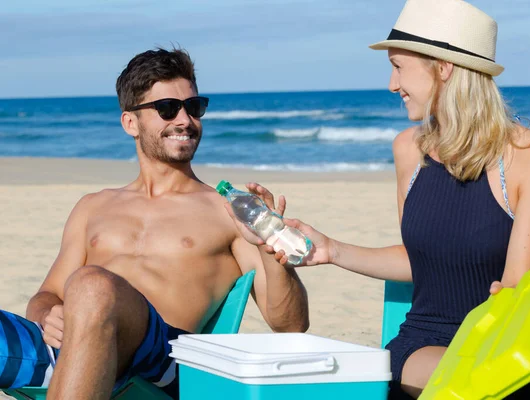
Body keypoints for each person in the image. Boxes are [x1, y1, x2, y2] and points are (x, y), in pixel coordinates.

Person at [251, 0, 530, 398]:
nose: (391, 84)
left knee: (478, 381)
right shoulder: (409, 150)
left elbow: (515, 289)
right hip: (424, 342)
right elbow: (416, 257)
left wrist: (506, 300)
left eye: (399, 66)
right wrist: (331, 249)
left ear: (443, 67)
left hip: (499, 348)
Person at [0, 48, 309, 399]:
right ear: (130, 122)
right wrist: (47, 314)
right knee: (87, 290)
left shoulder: (227, 211)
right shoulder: (93, 206)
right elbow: (46, 294)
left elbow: (291, 325)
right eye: (167, 109)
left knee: (92, 284)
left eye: (194, 107)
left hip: (164, 358)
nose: (184, 120)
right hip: (72, 346)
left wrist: (271, 248)